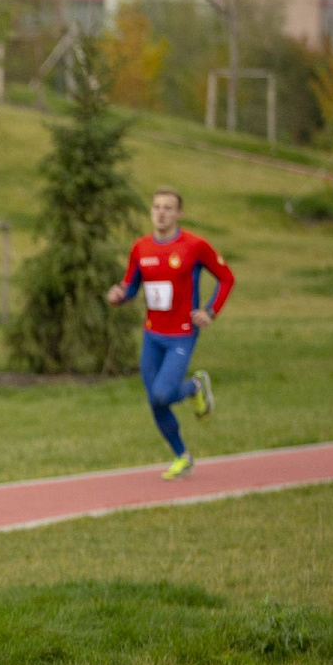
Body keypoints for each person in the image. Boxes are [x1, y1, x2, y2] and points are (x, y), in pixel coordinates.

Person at [106, 187, 235, 480]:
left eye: (168, 208)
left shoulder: (194, 246)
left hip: (182, 334)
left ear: (179, 213)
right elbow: (130, 286)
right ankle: (182, 456)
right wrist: (118, 295)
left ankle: (196, 387)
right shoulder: (141, 248)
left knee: (164, 393)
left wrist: (210, 311)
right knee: (155, 400)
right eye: (156, 207)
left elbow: (226, 278)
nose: (161, 213)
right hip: (152, 335)